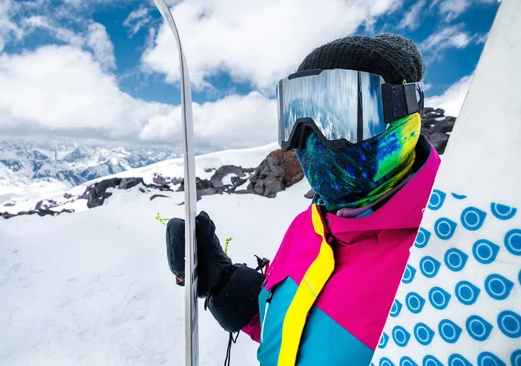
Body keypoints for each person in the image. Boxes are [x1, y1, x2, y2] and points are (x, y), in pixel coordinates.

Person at [165, 34, 441, 366]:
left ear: (403, 114)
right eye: (296, 116)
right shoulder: (310, 225)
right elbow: (301, 327)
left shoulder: (451, 261)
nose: (309, 138)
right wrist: (227, 286)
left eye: (338, 115)